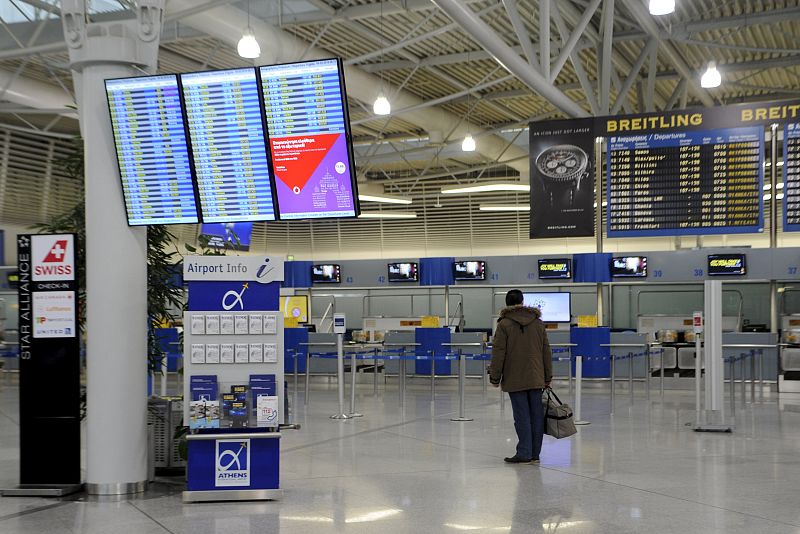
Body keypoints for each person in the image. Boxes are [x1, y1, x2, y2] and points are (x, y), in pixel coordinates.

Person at [489, 289, 553, 464]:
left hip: (514, 377)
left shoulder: (504, 324)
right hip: (536, 376)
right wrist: (548, 376)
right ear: (523, 301)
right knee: (536, 415)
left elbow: (498, 352)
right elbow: (546, 351)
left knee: (522, 416)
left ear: (507, 303)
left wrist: (495, 377)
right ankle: (534, 454)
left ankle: (524, 452)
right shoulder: (538, 323)